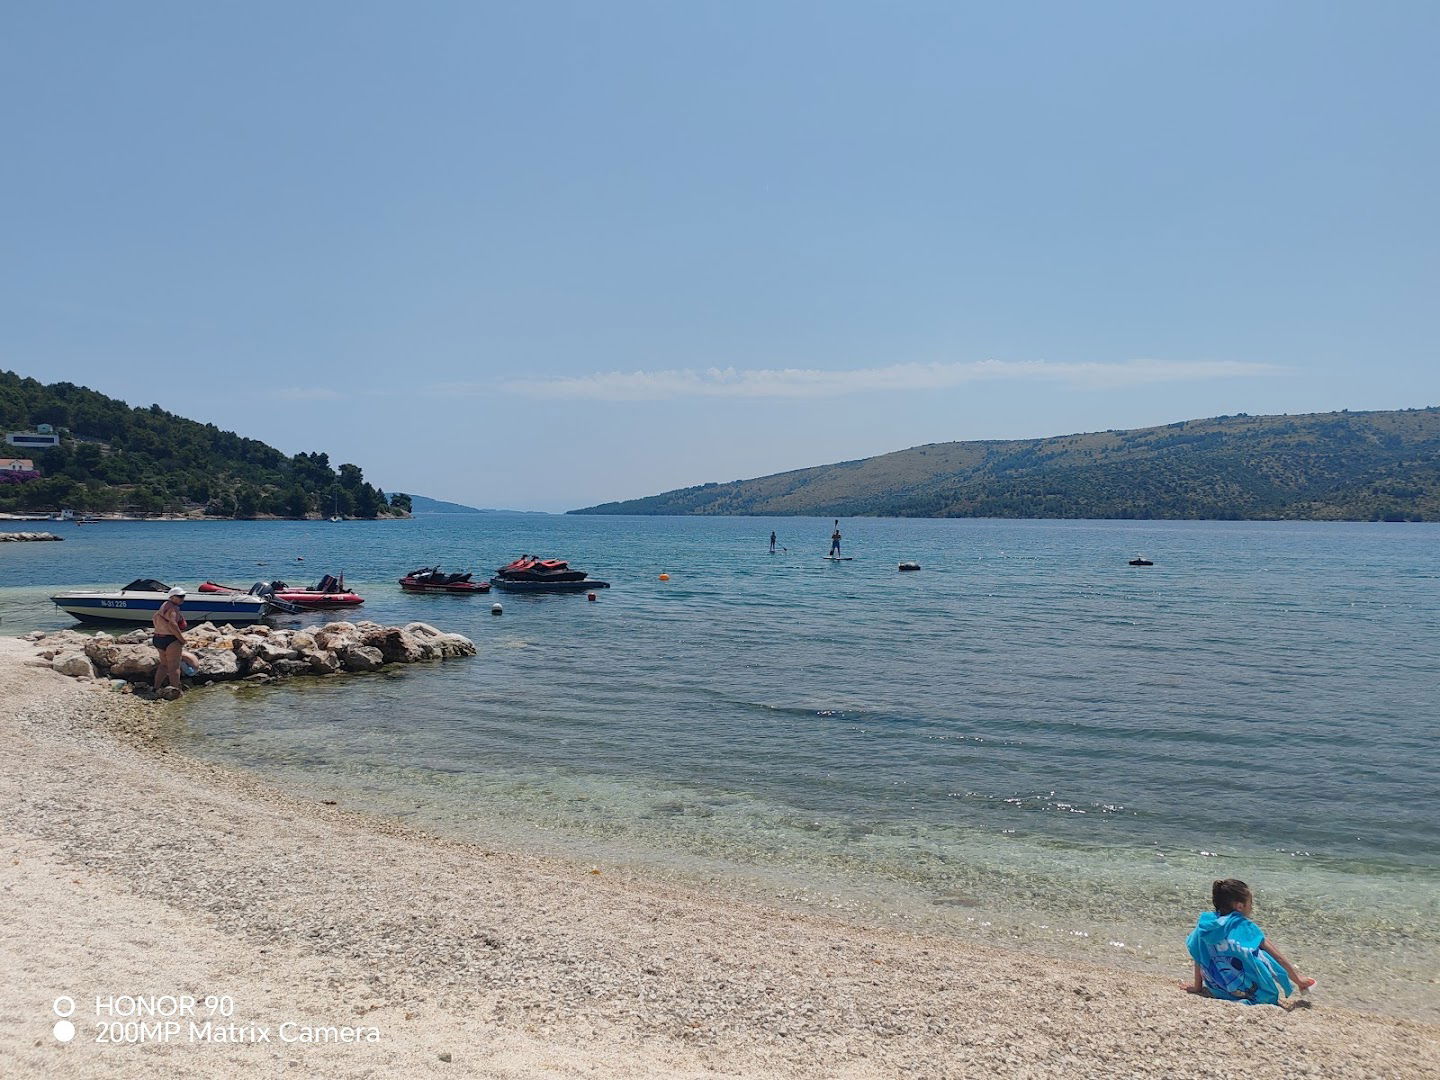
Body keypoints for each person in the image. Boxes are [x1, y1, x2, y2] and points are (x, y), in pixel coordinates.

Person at [1182, 878, 1315, 1004]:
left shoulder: (1205, 926)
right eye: (1251, 903)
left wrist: (1197, 987)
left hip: (1218, 989)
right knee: (1262, 954)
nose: (1252, 907)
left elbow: (1198, 954)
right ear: (1240, 906)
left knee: (1206, 948)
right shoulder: (1245, 927)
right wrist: (1298, 980)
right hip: (1252, 993)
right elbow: (1278, 958)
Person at [151, 586, 188, 698]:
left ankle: (156, 687)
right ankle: (175, 691)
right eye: (180, 597)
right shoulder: (173, 609)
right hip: (170, 639)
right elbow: (173, 624)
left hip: (158, 638)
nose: (182, 599)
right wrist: (181, 639)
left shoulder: (163, 606)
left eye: (183, 596)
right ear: (172, 597)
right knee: (174, 667)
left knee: (164, 665)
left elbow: (154, 619)